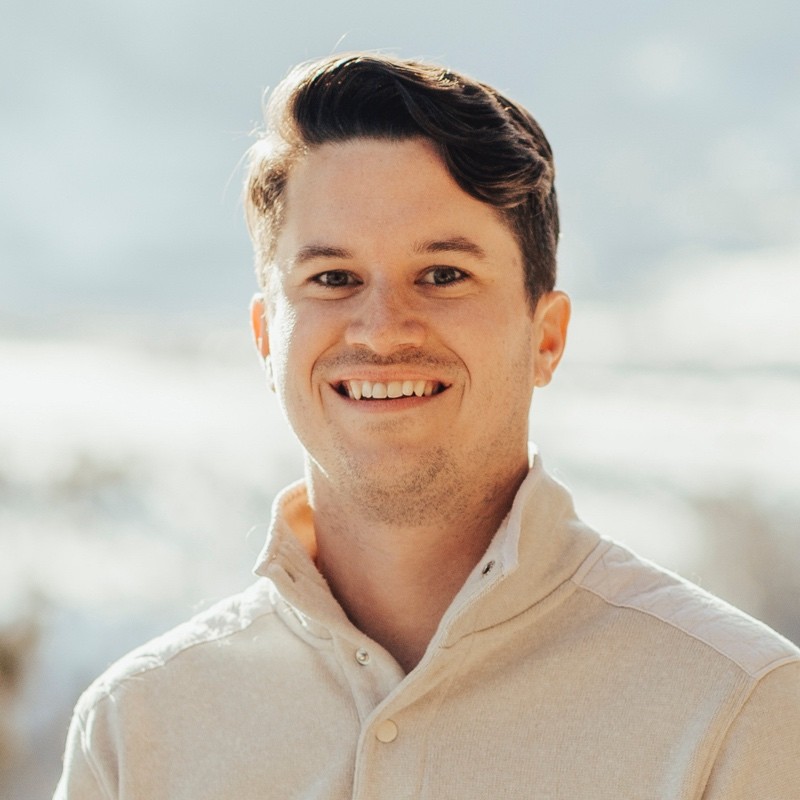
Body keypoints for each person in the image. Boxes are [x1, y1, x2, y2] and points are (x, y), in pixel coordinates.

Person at [55, 53, 799, 799]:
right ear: (264, 339)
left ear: (546, 338)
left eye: (443, 275)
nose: (381, 330)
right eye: (333, 278)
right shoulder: (136, 734)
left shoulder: (738, 710)